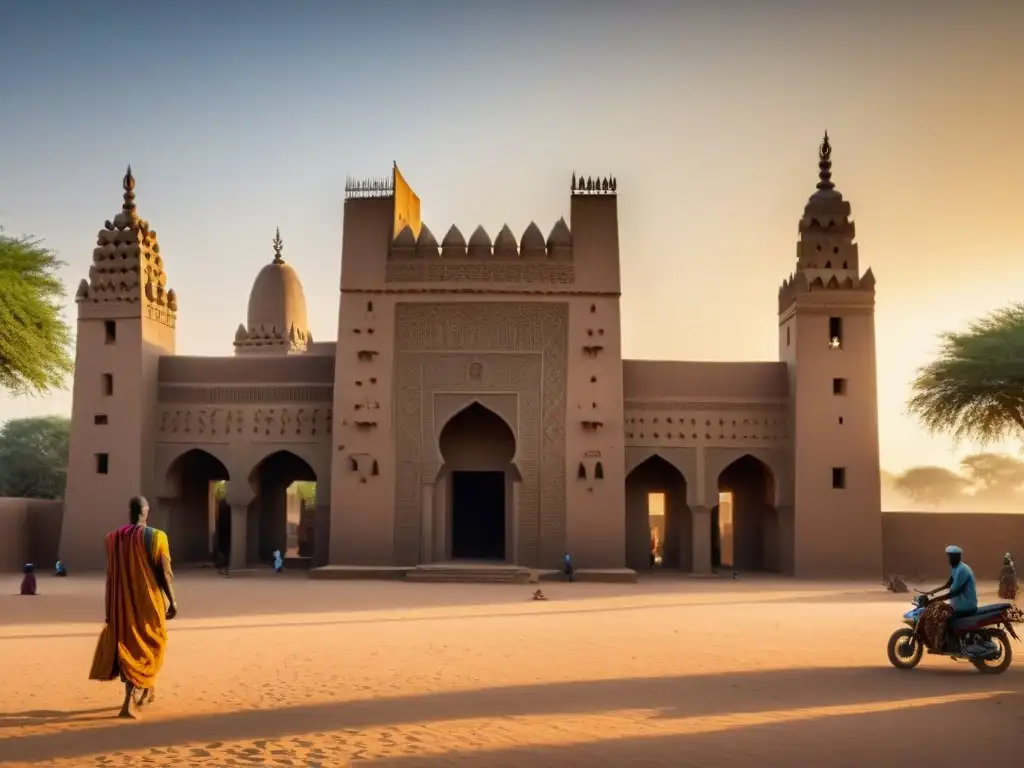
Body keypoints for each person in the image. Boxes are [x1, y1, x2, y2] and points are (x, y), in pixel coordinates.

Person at [89, 496, 178, 719]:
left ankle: (146, 687)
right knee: (149, 645)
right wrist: (172, 601)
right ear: (145, 511)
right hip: (148, 604)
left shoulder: (112, 538)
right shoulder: (157, 537)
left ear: (130, 511)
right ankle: (128, 703)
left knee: (127, 648)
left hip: (120, 605)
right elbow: (164, 573)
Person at [919, 545, 978, 653]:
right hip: (958, 604)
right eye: (948, 556)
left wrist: (933, 600)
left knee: (942, 617)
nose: (948, 559)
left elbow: (955, 592)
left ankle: (949, 645)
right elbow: (948, 584)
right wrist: (931, 592)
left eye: (950, 557)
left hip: (965, 605)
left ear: (956, 557)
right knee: (938, 611)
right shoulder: (956, 568)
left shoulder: (962, 570)